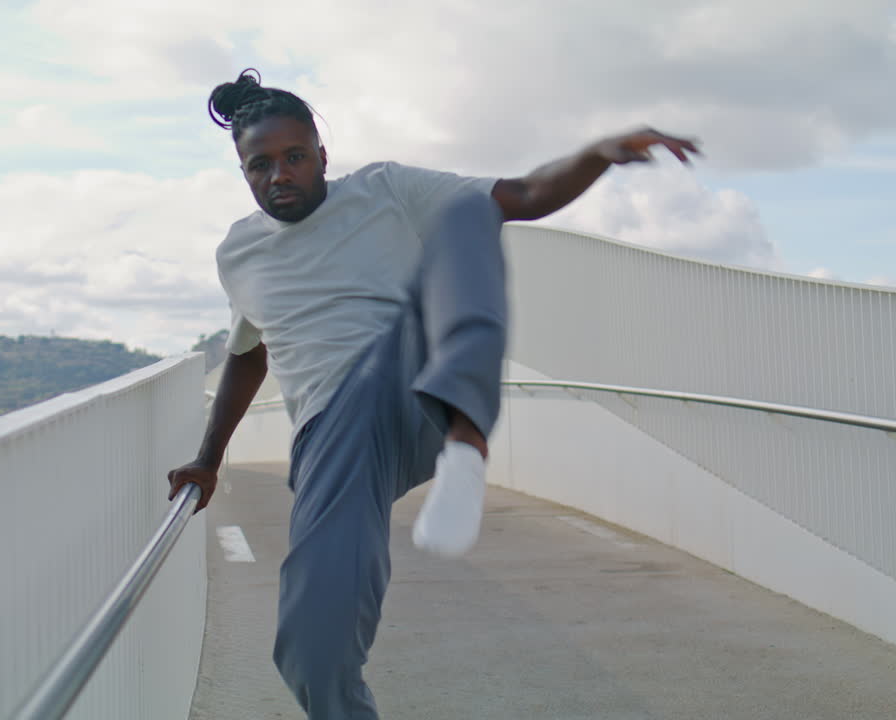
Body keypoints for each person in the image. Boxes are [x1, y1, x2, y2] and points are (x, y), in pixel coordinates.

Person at [167, 68, 700, 719]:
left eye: (295, 157)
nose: (280, 175)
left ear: (322, 156)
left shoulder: (385, 191)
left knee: (470, 212)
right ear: (243, 171)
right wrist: (208, 460)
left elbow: (525, 195)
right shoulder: (239, 252)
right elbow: (247, 356)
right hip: (334, 441)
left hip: (418, 384)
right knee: (311, 650)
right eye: (261, 165)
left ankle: (466, 443)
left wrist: (598, 154)